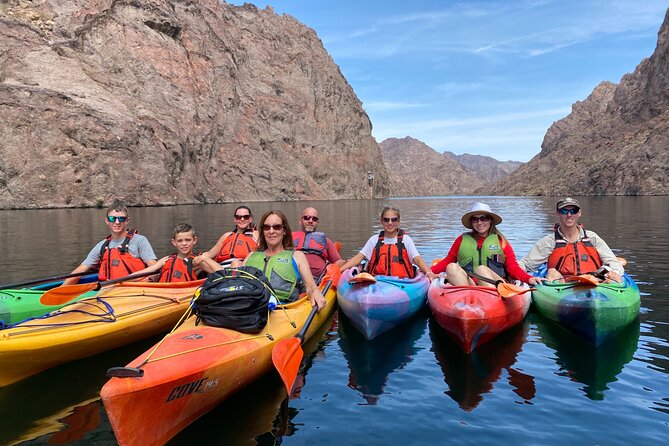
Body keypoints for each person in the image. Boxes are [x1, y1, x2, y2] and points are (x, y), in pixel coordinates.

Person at [196, 210, 326, 310]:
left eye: (277, 227)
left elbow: (310, 286)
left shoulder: (296, 256)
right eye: (266, 227)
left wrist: (315, 293)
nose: (271, 231)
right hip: (250, 308)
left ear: (284, 230)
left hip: (282, 309)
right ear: (262, 231)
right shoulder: (252, 255)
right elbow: (236, 284)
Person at [430, 202, 540, 287]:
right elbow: (448, 260)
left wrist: (529, 278)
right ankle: (468, 300)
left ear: (490, 220)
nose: (479, 223)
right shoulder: (461, 240)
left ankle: (490, 303)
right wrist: (428, 271)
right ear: (471, 222)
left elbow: (513, 268)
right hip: (471, 285)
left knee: (481, 270)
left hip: (496, 286)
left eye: (484, 218)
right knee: (451, 267)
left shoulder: (501, 241)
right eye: (475, 219)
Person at [519, 197, 624, 283]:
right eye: (564, 211)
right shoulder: (549, 241)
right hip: (563, 285)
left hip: (593, 281)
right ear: (558, 213)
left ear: (579, 213)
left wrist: (614, 272)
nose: (569, 215)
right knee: (551, 272)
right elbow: (525, 264)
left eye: (573, 211)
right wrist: (509, 273)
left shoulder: (592, 238)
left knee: (614, 279)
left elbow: (613, 262)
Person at [63, 200, 157, 285]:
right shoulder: (102, 246)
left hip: (136, 290)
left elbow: (154, 268)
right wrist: (61, 289)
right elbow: (80, 270)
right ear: (107, 221)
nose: (117, 222)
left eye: (121, 219)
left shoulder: (140, 241)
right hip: (110, 291)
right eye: (112, 219)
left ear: (127, 221)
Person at [339, 206, 434, 279]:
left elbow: (417, 259)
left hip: (402, 282)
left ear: (398, 222)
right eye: (386, 219)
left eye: (394, 219)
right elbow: (358, 258)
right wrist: (340, 271)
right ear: (381, 221)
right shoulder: (374, 240)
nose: (390, 223)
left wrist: (429, 273)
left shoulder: (406, 240)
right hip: (376, 281)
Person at [133, 223, 204, 282]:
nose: (184, 243)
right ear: (174, 242)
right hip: (165, 293)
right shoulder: (166, 260)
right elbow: (143, 272)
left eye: (188, 240)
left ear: (194, 240)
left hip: (187, 293)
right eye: (180, 241)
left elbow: (212, 257)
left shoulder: (198, 260)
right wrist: (124, 280)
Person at [293, 207, 345, 281]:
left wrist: (349, 262)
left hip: (318, 281)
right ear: (300, 221)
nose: (310, 221)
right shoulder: (289, 239)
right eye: (306, 218)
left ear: (317, 222)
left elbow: (337, 262)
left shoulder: (326, 241)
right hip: (293, 279)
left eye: (314, 219)